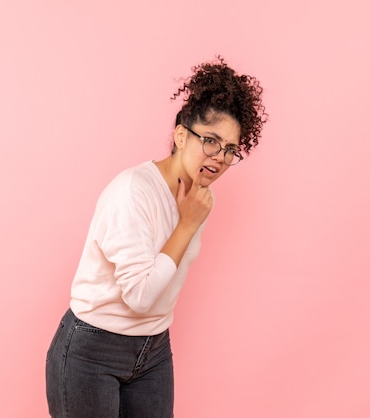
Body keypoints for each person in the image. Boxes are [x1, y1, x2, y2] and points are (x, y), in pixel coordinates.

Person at [45, 56, 267, 418]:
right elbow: (140, 297)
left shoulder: (198, 195)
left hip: (153, 349)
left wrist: (191, 219)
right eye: (210, 141)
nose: (220, 157)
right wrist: (186, 225)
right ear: (181, 135)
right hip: (92, 350)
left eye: (230, 149)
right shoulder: (133, 192)